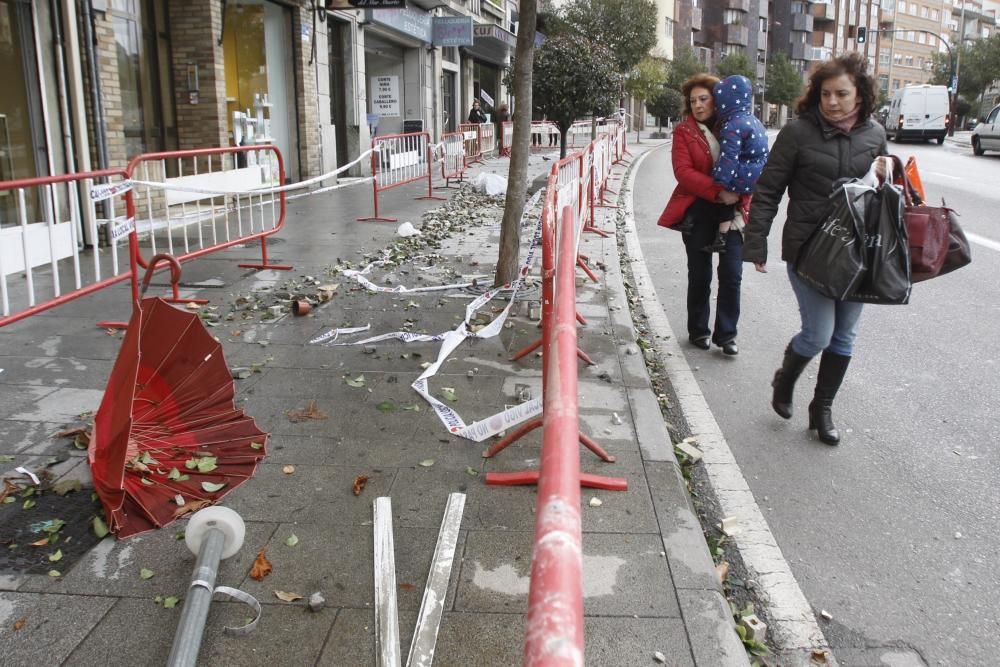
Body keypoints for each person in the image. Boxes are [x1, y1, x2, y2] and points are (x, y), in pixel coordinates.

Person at [743, 52, 889, 446]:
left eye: (842, 93)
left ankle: (821, 409)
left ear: (861, 95)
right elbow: (768, 190)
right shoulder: (797, 133)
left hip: (857, 253)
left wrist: (883, 174)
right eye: (826, 94)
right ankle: (785, 378)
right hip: (809, 249)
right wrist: (755, 243)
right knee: (819, 334)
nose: (832, 102)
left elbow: (885, 194)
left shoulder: (875, 134)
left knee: (845, 336)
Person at [656, 74, 744, 356]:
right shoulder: (684, 131)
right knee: (700, 275)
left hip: (732, 215)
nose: (697, 105)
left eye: (703, 99)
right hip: (698, 213)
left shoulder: (734, 126)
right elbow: (683, 173)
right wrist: (719, 192)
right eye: (693, 100)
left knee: (732, 274)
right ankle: (698, 330)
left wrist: (740, 197)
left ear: (717, 100)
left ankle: (727, 335)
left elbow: (753, 165)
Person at [704, 75, 769, 254]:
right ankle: (734, 233)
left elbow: (729, 157)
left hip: (743, 174)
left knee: (725, 200)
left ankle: (721, 237)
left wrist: (719, 180)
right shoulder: (754, 121)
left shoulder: (733, 125)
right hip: (758, 173)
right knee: (738, 203)